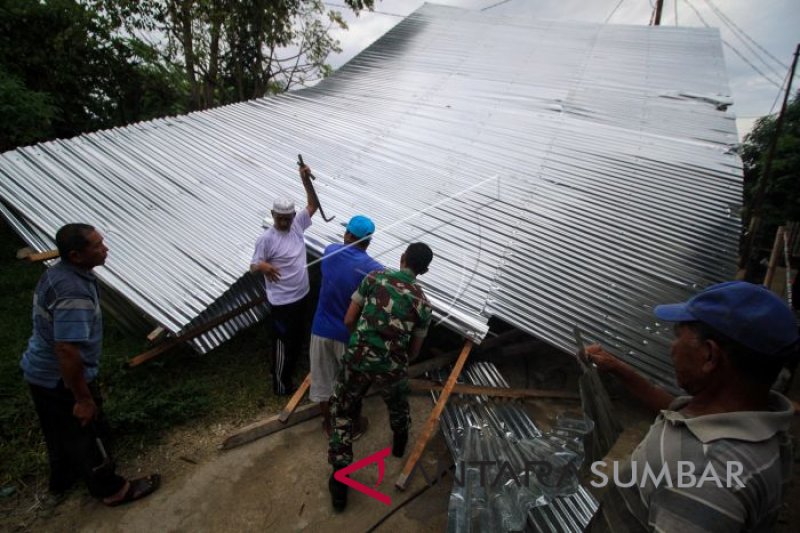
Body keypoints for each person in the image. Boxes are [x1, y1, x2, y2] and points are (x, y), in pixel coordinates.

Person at [585, 281, 798, 532]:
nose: (672, 347)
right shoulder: (760, 419)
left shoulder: (700, 480)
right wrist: (618, 368)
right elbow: (676, 410)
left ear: (709, 355)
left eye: (678, 336)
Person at [20, 223, 160, 507]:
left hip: (40, 372)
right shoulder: (73, 292)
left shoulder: (57, 275)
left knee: (58, 431)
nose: (104, 249)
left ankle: (63, 479)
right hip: (61, 377)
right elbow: (66, 350)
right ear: (76, 255)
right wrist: (82, 397)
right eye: (96, 246)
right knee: (87, 432)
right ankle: (112, 489)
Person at [327, 242, 434, 511]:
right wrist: (393, 359)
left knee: (342, 409)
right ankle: (399, 443)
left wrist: (360, 345)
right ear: (425, 270)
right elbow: (415, 351)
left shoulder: (374, 278)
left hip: (358, 357)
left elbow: (349, 319)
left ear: (402, 258)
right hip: (392, 365)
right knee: (398, 404)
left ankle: (339, 481)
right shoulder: (423, 304)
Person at [309, 215, 383, 435]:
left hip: (320, 329)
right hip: (348, 334)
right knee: (349, 387)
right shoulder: (374, 269)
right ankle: (352, 427)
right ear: (368, 241)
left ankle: (328, 425)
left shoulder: (330, 251)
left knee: (322, 382)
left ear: (350, 235)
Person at [250, 163, 318, 396]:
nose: (285, 222)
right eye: (280, 218)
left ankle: (292, 370)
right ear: (273, 216)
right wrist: (263, 265)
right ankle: (280, 383)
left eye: (288, 218)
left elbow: (312, 205)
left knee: (298, 337)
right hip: (282, 303)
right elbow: (252, 267)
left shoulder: (297, 225)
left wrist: (306, 180)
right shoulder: (266, 239)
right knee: (282, 342)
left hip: (302, 295)